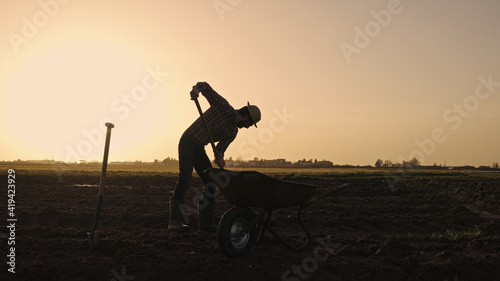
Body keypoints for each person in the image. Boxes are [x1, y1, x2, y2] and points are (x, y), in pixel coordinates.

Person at [168, 82, 261, 232]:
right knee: (185, 178)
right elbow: (205, 87)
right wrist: (196, 90)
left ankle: (205, 223)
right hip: (188, 141)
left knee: (211, 183)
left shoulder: (233, 132)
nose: (248, 127)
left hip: (199, 148)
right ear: (245, 117)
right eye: (250, 124)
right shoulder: (223, 106)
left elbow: (219, 149)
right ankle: (174, 221)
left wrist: (220, 158)